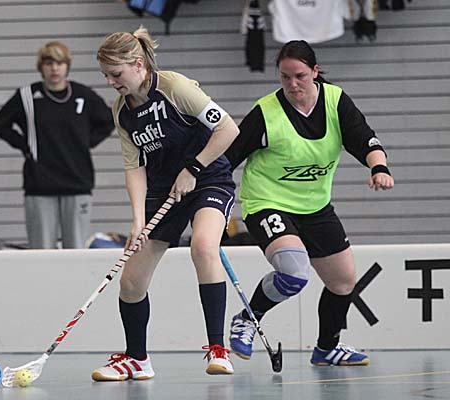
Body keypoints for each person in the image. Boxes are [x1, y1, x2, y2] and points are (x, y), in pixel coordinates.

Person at [224, 40, 394, 366]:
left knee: (343, 281)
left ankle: (327, 348)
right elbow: (228, 158)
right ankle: (247, 319)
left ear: (315, 72)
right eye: (285, 77)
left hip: (315, 207)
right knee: (294, 273)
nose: (292, 84)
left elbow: (365, 139)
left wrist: (379, 168)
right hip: (267, 202)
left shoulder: (335, 102)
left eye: (300, 76)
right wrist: (206, 196)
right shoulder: (265, 113)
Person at [92, 26, 240, 381]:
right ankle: (137, 359)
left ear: (138, 64)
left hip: (208, 179)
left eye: (116, 74)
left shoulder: (175, 87)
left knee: (203, 246)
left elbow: (229, 130)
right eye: (106, 75)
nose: (110, 82)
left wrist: (194, 167)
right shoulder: (121, 111)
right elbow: (134, 167)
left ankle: (218, 349)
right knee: (131, 282)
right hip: (163, 191)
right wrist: (137, 221)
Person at [0, 41, 114, 249]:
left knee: (76, 249)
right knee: (41, 250)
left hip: (77, 183)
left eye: (59, 63)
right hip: (40, 184)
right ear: (41, 67)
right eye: (49, 63)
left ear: (67, 66)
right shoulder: (27, 96)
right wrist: (25, 146)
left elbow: (109, 120)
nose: (54, 68)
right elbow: (0, 124)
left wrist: (86, 143)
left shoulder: (83, 95)